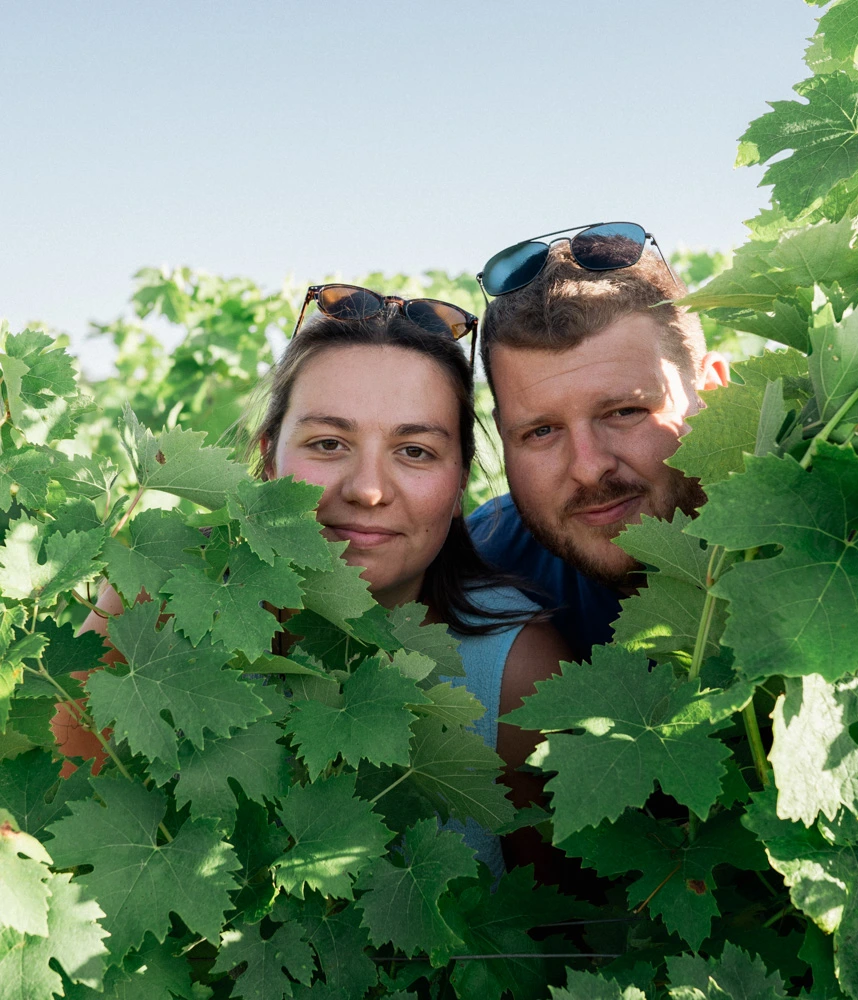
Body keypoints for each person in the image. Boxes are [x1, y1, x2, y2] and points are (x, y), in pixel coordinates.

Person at [62, 284, 570, 876]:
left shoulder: (516, 671)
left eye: (415, 451)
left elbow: (556, 935)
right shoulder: (157, 603)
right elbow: (65, 832)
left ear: (460, 483)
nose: (368, 489)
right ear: (267, 457)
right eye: (328, 444)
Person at [468, 223, 729, 661]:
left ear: (716, 394)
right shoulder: (483, 564)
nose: (589, 468)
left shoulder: (847, 525)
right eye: (541, 431)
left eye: (624, 412)